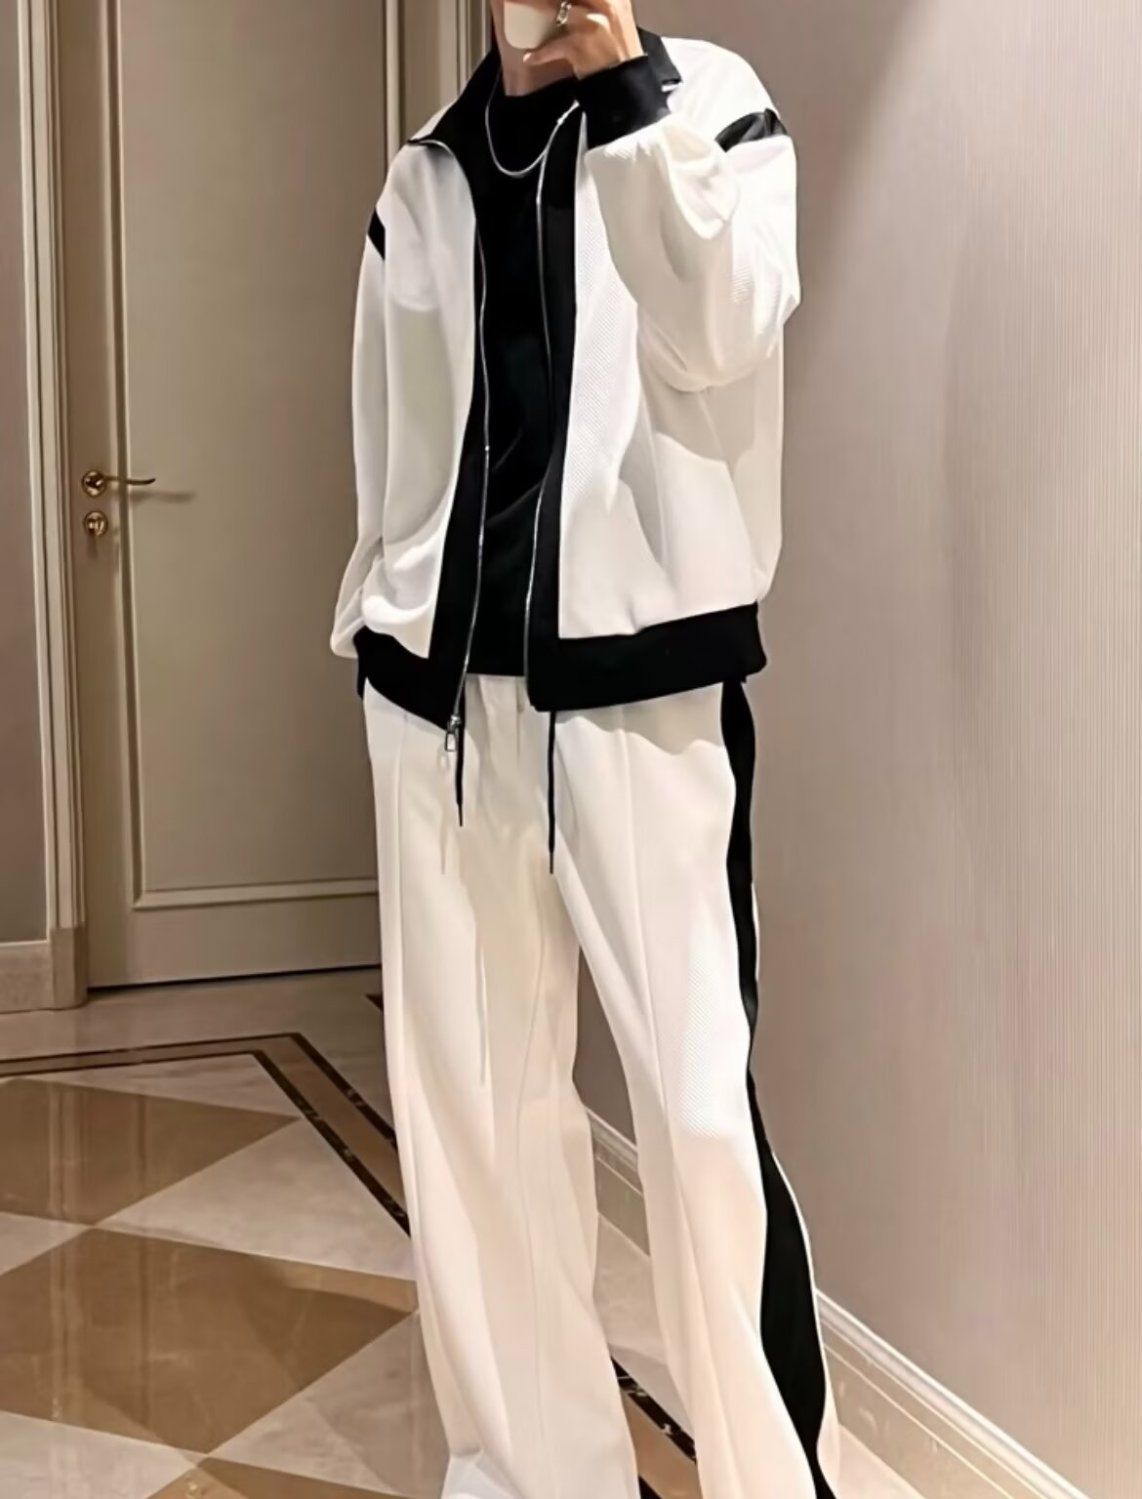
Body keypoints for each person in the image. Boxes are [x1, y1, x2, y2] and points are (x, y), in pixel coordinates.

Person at [330, 2, 840, 1495]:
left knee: (696, 1120)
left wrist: (621, 83)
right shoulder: (424, 171)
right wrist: (384, 619)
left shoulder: (710, 106)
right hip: (438, 707)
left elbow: (721, 325)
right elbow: (393, 437)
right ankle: (526, 1472)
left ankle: (770, 1478)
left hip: (642, 697)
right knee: (476, 1120)